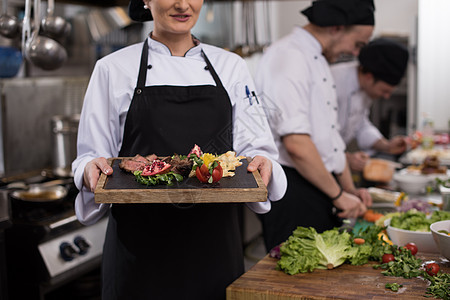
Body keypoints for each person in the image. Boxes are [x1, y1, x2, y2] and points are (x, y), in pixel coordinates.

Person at [72, 0, 287, 299]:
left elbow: (257, 148)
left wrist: (264, 164)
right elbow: (90, 155)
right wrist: (87, 170)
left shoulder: (231, 66)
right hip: (140, 248)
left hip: (214, 245)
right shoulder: (112, 68)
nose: (182, 4)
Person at [254, 0, 374, 252]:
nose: (355, 54)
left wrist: (349, 189)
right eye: (358, 44)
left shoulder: (316, 56)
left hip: (318, 184)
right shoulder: (289, 56)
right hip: (293, 190)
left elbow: (328, 137)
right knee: (294, 285)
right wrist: (339, 195)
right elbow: (296, 144)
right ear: (337, 28)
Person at [331, 38, 409, 172]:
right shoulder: (334, 81)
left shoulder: (365, 90)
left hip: (334, 163)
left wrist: (387, 145)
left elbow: (361, 125)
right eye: (384, 91)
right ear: (369, 77)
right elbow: (318, 136)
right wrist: (347, 159)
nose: (387, 96)